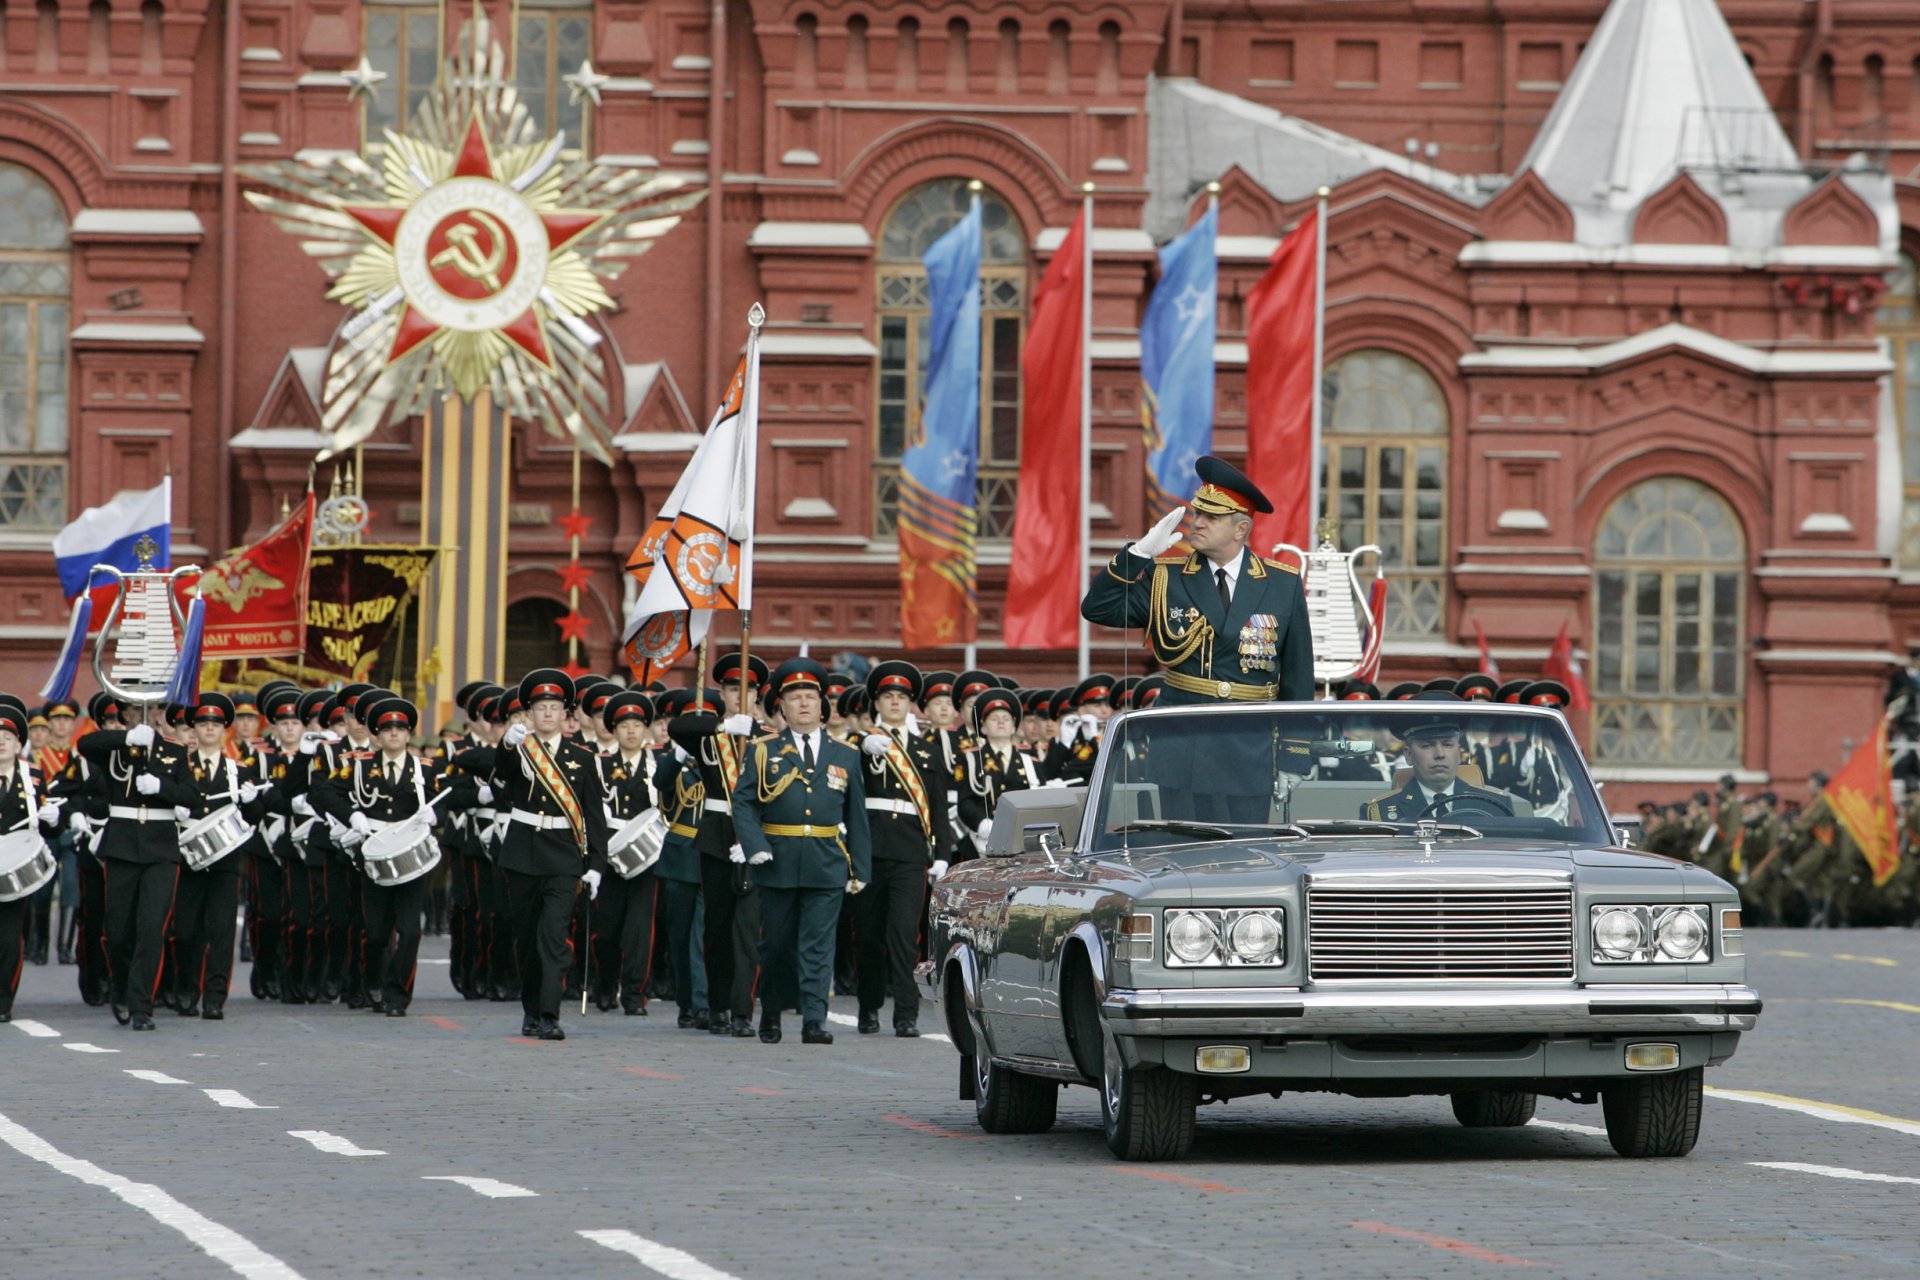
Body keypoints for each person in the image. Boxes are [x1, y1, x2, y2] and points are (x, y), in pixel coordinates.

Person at [1080, 456, 1314, 822]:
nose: (1198, 522)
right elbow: (1098, 608)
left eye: (1212, 517)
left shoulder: (1282, 584)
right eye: (1197, 513)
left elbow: (1298, 678)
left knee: (1244, 861)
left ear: (1240, 529)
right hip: (1182, 744)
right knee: (1184, 861)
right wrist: (1138, 555)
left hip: (1249, 747)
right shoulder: (1167, 577)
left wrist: (1296, 756)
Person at [731, 657, 872, 1045]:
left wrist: (860, 868)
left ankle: (814, 1019)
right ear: (782, 707)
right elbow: (742, 803)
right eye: (795, 698)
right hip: (776, 858)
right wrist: (754, 845)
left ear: (822, 705)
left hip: (826, 860)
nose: (804, 703)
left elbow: (856, 814)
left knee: (818, 946)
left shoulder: (845, 753)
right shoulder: (762, 751)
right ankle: (772, 1013)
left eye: (811, 696)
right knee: (776, 945)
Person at [490, 670, 611, 1041]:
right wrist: (507, 747)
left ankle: (549, 1014)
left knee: (553, 936)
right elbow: (502, 779)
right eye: (540, 707)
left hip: (563, 857)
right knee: (526, 939)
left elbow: (594, 816)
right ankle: (531, 1009)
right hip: (524, 854)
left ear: (565, 714)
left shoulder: (582, 757)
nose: (547, 713)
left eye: (554, 707)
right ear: (530, 713)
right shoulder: (520, 747)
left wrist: (597, 866)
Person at [312, 694, 449, 1017]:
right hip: (373, 855)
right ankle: (373, 981)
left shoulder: (424, 768)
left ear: (409, 734)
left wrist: (435, 817)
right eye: (386, 729)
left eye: (400, 729)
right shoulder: (358, 765)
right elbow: (324, 791)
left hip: (410, 855)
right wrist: (352, 816)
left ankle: (397, 994)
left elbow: (442, 803)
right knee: (375, 933)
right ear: (376, 733)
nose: (394, 734)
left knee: (410, 929)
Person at [77, 701, 202, 1030]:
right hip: (121, 846)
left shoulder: (173, 751)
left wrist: (162, 788)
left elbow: (192, 796)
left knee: (151, 929)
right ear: (125, 715)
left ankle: (140, 1004)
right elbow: (85, 744)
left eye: (153, 709)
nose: (146, 714)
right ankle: (119, 985)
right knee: (117, 932)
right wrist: (127, 738)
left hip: (160, 848)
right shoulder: (114, 749)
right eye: (135, 709)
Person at [854, 660, 952, 1037]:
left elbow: (938, 807)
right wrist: (863, 749)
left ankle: (906, 1013)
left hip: (911, 853)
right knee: (867, 934)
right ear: (876, 703)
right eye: (887, 696)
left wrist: (942, 853)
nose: (894, 703)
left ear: (910, 703)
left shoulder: (926, 752)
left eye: (901, 697)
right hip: (870, 850)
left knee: (902, 933)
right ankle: (868, 1007)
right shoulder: (861, 745)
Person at [169, 693, 268, 1020]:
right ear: (194, 729)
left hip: (225, 861)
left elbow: (254, 817)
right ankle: (186, 989)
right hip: (188, 859)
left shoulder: (237, 769)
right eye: (202, 723)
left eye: (215, 723)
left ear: (225, 729)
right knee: (185, 931)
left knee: (222, 931)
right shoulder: (179, 767)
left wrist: (252, 800)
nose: (209, 728)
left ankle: (214, 997)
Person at [591, 690, 661, 1014]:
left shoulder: (657, 765)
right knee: (607, 929)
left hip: (648, 857)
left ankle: (635, 994)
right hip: (609, 857)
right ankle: (605, 985)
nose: (631, 731)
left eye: (637, 724)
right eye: (624, 725)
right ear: (614, 730)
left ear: (646, 729)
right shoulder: (600, 766)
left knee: (640, 930)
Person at [0, 697, 60, 1022]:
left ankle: (3, 1002)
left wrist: (52, 819)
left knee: (11, 939)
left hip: (15, 873)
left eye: (7, 738)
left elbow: (49, 829)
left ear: (18, 743)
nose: (1, 743)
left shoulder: (33, 777)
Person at [1361, 715, 1511, 821]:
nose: (1439, 754)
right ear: (1408, 755)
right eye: (1427, 745)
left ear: (1459, 753)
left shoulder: (1496, 806)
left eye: (1447, 744)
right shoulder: (1380, 812)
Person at [958, 687, 1042, 853]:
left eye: (1006, 718)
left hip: (1023, 842)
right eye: (994, 719)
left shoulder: (1030, 762)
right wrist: (982, 823)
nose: (1001, 722)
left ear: (1013, 727)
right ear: (983, 728)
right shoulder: (972, 760)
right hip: (982, 843)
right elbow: (965, 801)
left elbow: (1041, 800)